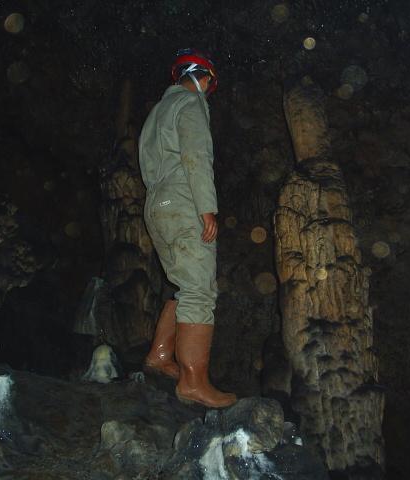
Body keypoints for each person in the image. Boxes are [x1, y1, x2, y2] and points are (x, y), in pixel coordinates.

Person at [139, 48, 236, 408]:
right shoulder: (191, 105)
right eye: (210, 82)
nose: (209, 89)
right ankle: (194, 382)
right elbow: (197, 156)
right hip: (183, 202)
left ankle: (159, 356)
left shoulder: (157, 112)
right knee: (199, 288)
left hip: (157, 206)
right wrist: (207, 208)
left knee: (183, 285)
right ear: (202, 77)